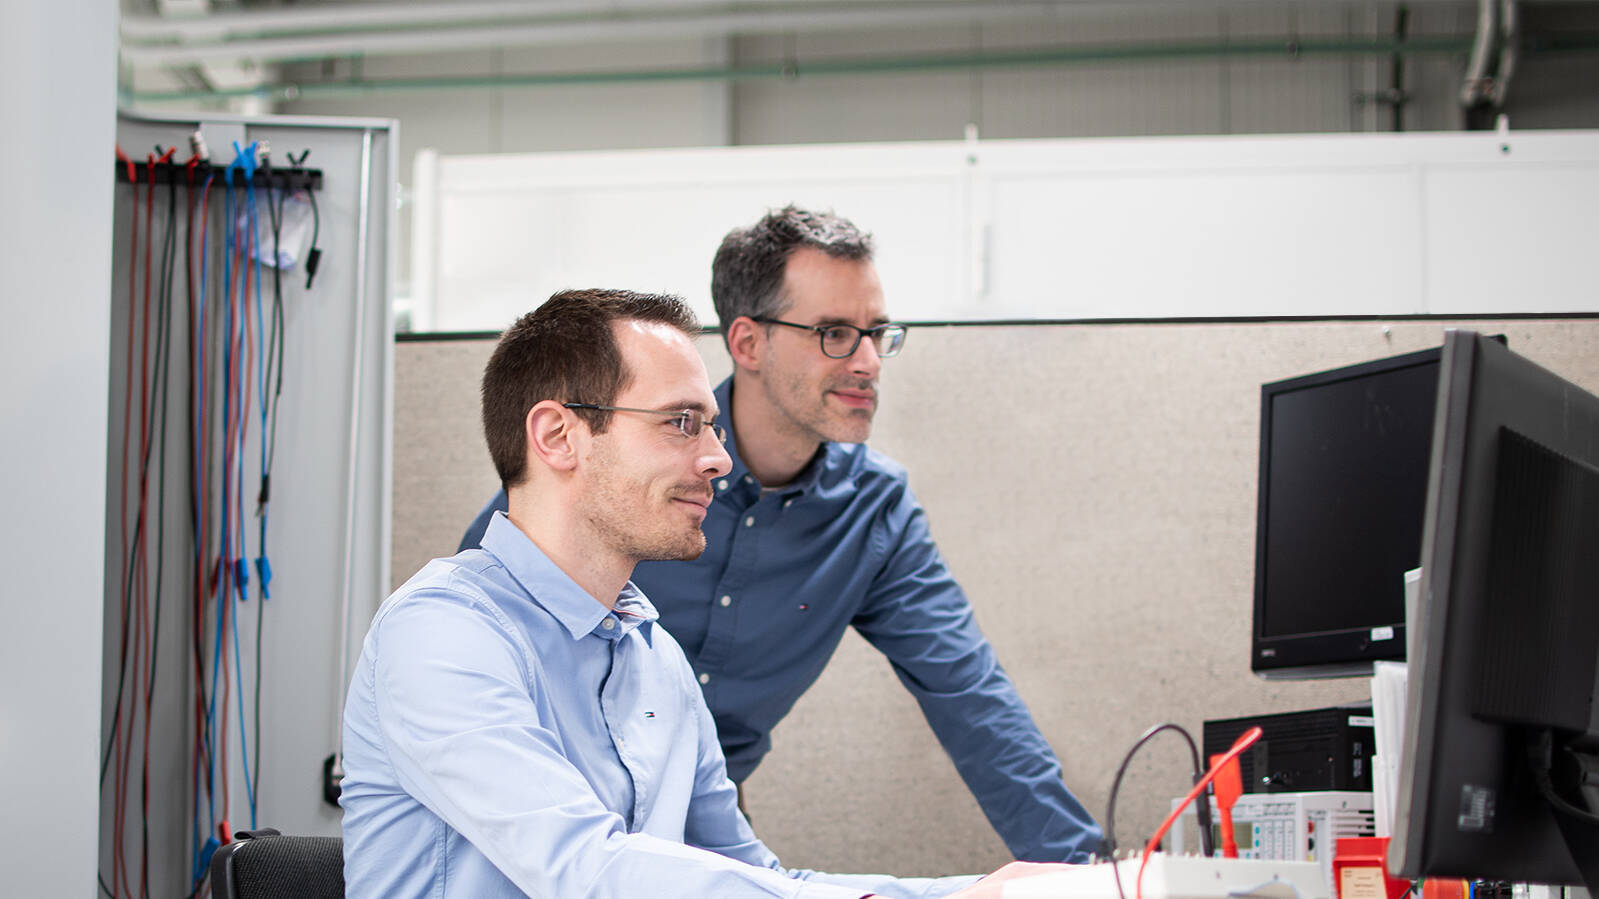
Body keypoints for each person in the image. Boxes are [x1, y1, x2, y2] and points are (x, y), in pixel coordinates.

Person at [340, 288, 1066, 897]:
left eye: (710, 426)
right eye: (680, 423)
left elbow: (751, 877)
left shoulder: (654, 657)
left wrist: (976, 891)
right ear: (558, 436)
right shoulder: (443, 634)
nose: (717, 459)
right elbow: (587, 870)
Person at [460, 209, 1103, 862]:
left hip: (704, 820)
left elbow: (973, 700)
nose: (869, 361)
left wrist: (1088, 875)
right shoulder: (615, 468)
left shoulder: (873, 512)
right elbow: (479, 633)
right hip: (544, 813)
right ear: (746, 343)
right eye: (834, 333)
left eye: (877, 333)